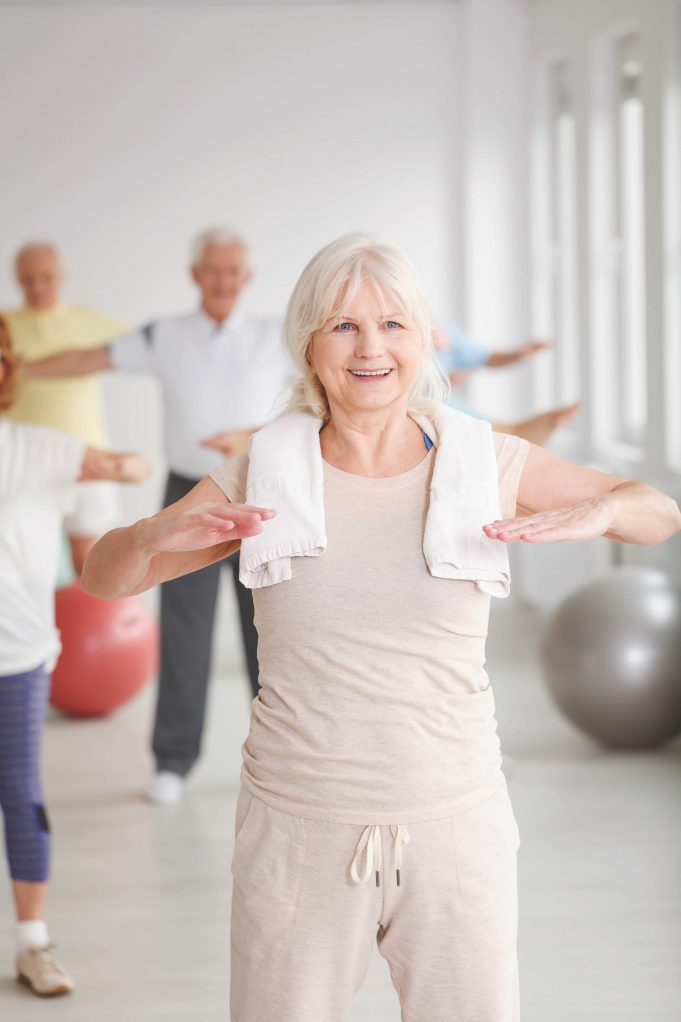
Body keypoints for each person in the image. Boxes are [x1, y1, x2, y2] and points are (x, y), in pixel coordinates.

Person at [80, 235, 680, 1022]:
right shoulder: (265, 469)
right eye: (343, 326)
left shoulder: (481, 459)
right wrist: (153, 538)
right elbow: (102, 576)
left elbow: (657, 511)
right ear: (306, 343)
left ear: (426, 337)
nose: (371, 349)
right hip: (296, 832)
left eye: (393, 325)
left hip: (455, 826)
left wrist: (597, 509)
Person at [27, 229, 293, 806]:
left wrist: (248, 436)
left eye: (233, 270)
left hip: (263, 491)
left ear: (246, 277)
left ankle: (281, 759)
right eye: (212, 270)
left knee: (270, 632)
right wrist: (17, 369)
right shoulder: (164, 335)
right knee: (184, 631)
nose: (222, 279)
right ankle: (173, 761)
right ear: (195, 274)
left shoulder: (279, 335)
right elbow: (89, 358)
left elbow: (320, 398)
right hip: (190, 490)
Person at [0, 316, 149, 998]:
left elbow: (121, 467)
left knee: (21, 793)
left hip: (19, 659)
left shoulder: (40, 447)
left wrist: (127, 466)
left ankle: (34, 945)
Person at [2, 242, 128, 575]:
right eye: (28, 279)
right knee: (25, 563)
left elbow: (142, 350)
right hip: (22, 465)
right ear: (17, 280)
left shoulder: (87, 320)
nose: (38, 287)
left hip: (87, 460)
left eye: (46, 277)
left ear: (62, 275)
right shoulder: (5, 326)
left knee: (89, 562)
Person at [433, 319, 581, 445]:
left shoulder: (442, 329)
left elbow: (485, 357)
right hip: (427, 397)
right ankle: (514, 435)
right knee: (435, 401)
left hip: (436, 394)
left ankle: (514, 436)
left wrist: (518, 355)